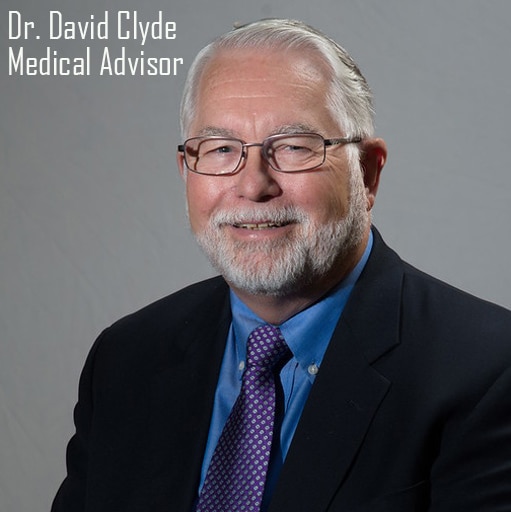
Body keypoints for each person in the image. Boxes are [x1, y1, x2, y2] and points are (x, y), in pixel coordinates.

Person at [52, 19, 511, 512]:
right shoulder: (126, 360)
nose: (253, 186)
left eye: (294, 147)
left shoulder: (487, 369)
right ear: (186, 170)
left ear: (368, 173)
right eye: (221, 149)